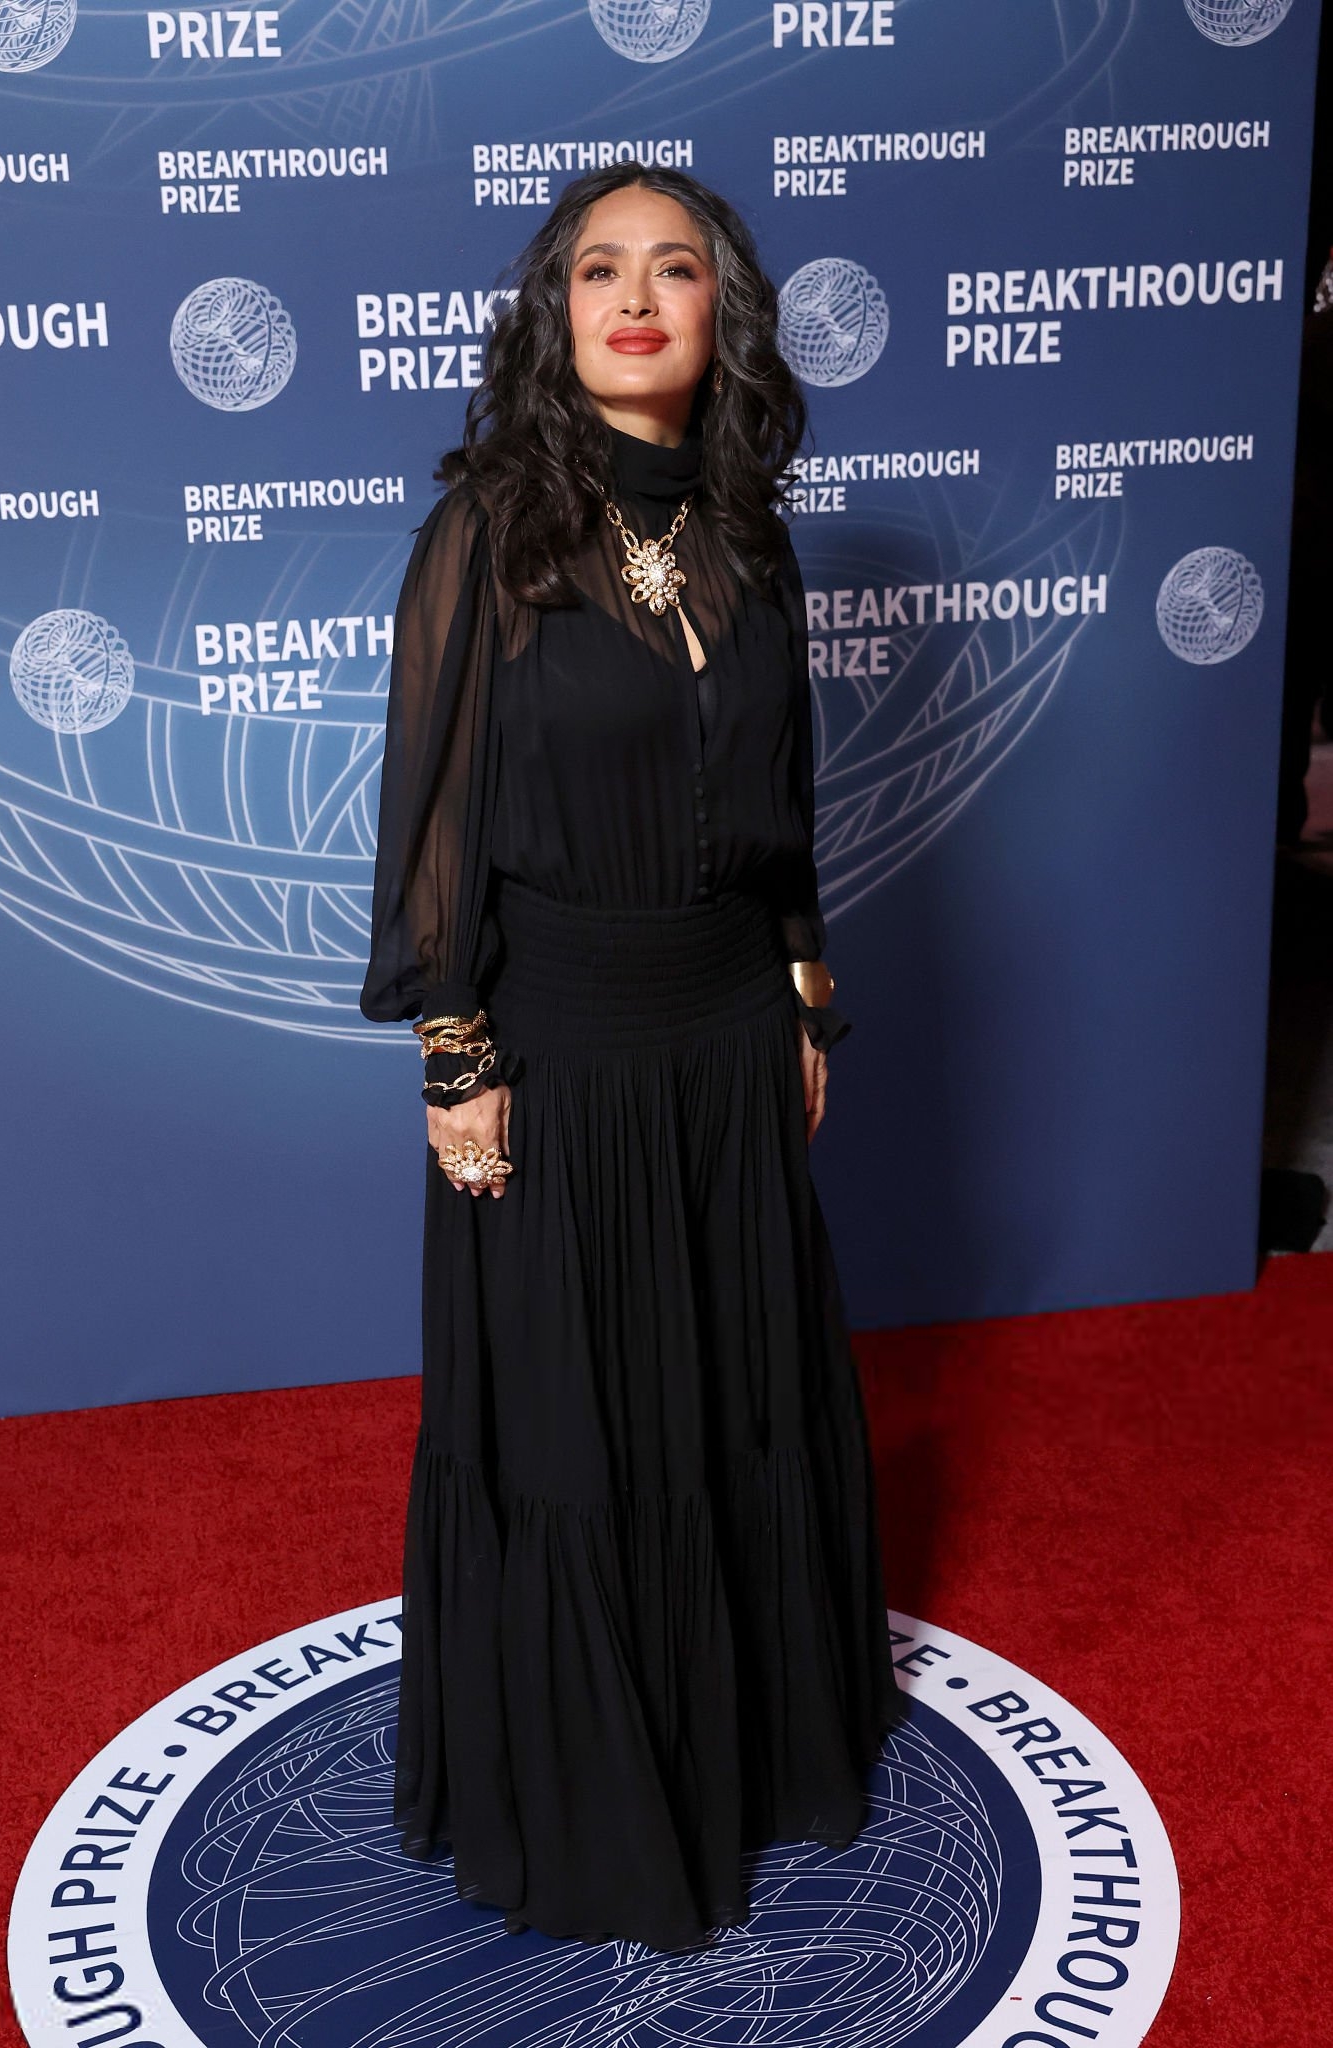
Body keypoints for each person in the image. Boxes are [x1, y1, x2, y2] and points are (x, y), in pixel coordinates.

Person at [360, 163, 903, 1951]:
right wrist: (455, 1052)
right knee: (579, 1428)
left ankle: (743, 1753)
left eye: (676, 267)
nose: (637, 297)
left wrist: (802, 989)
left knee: (735, 1399)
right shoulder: (492, 532)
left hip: (729, 1032)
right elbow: (432, 814)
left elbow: (781, 794)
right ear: (556, 311)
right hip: (565, 1039)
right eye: (601, 269)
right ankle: (594, 1797)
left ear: (721, 312)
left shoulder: (749, 531)